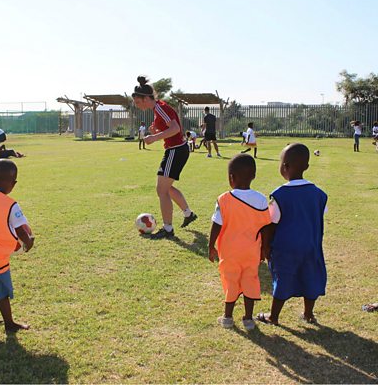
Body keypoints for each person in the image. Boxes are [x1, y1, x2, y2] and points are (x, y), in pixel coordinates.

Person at [256, 143, 328, 325]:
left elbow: (271, 224)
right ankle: (308, 314)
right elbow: (319, 214)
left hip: (285, 249)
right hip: (311, 246)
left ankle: (273, 316)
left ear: (285, 166)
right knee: (310, 278)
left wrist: (265, 246)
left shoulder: (279, 195)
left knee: (282, 280)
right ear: (306, 166)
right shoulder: (319, 194)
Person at [209, 154, 271, 330]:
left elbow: (216, 224)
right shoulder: (261, 199)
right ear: (254, 175)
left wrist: (210, 245)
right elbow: (266, 227)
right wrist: (264, 248)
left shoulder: (224, 199)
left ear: (231, 177)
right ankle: (248, 319)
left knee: (231, 281)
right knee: (250, 280)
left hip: (229, 252)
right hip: (251, 251)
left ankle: (227, 317)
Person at [132, 76, 197, 239]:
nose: (137, 106)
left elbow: (175, 129)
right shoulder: (159, 108)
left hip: (175, 150)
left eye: (138, 102)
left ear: (146, 98)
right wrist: (157, 131)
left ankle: (168, 229)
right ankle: (188, 213)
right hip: (177, 150)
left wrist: (154, 137)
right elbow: (171, 129)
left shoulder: (160, 108)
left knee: (161, 190)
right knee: (166, 188)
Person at [0, 159, 34, 332]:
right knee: (2, 292)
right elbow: (20, 230)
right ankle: (9, 324)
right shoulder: (11, 204)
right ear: (13, 184)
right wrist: (28, 242)